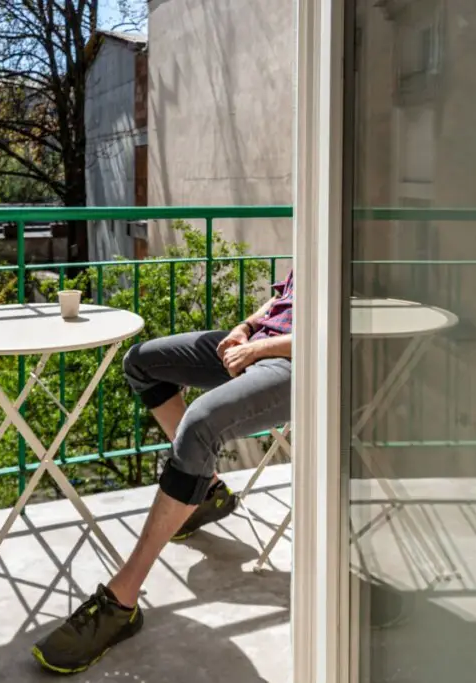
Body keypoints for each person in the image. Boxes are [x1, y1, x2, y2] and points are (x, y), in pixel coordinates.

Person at [31, 270, 295, 675]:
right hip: (261, 344)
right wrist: (243, 330)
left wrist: (260, 351)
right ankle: (204, 488)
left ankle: (121, 602)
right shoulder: (312, 235)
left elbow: (338, 329)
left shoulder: (356, 240)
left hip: (298, 361)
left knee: (198, 425)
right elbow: (283, 302)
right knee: (141, 363)